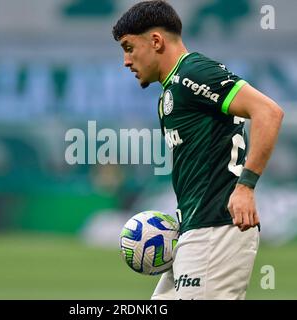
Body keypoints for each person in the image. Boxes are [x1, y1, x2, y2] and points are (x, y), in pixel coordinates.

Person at [112, 0, 284, 300]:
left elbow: (268, 112)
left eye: (128, 47)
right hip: (196, 228)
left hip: (215, 230)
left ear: (155, 41)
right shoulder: (172, 91)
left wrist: (245, 186)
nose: (126, 61)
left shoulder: (194, 73)